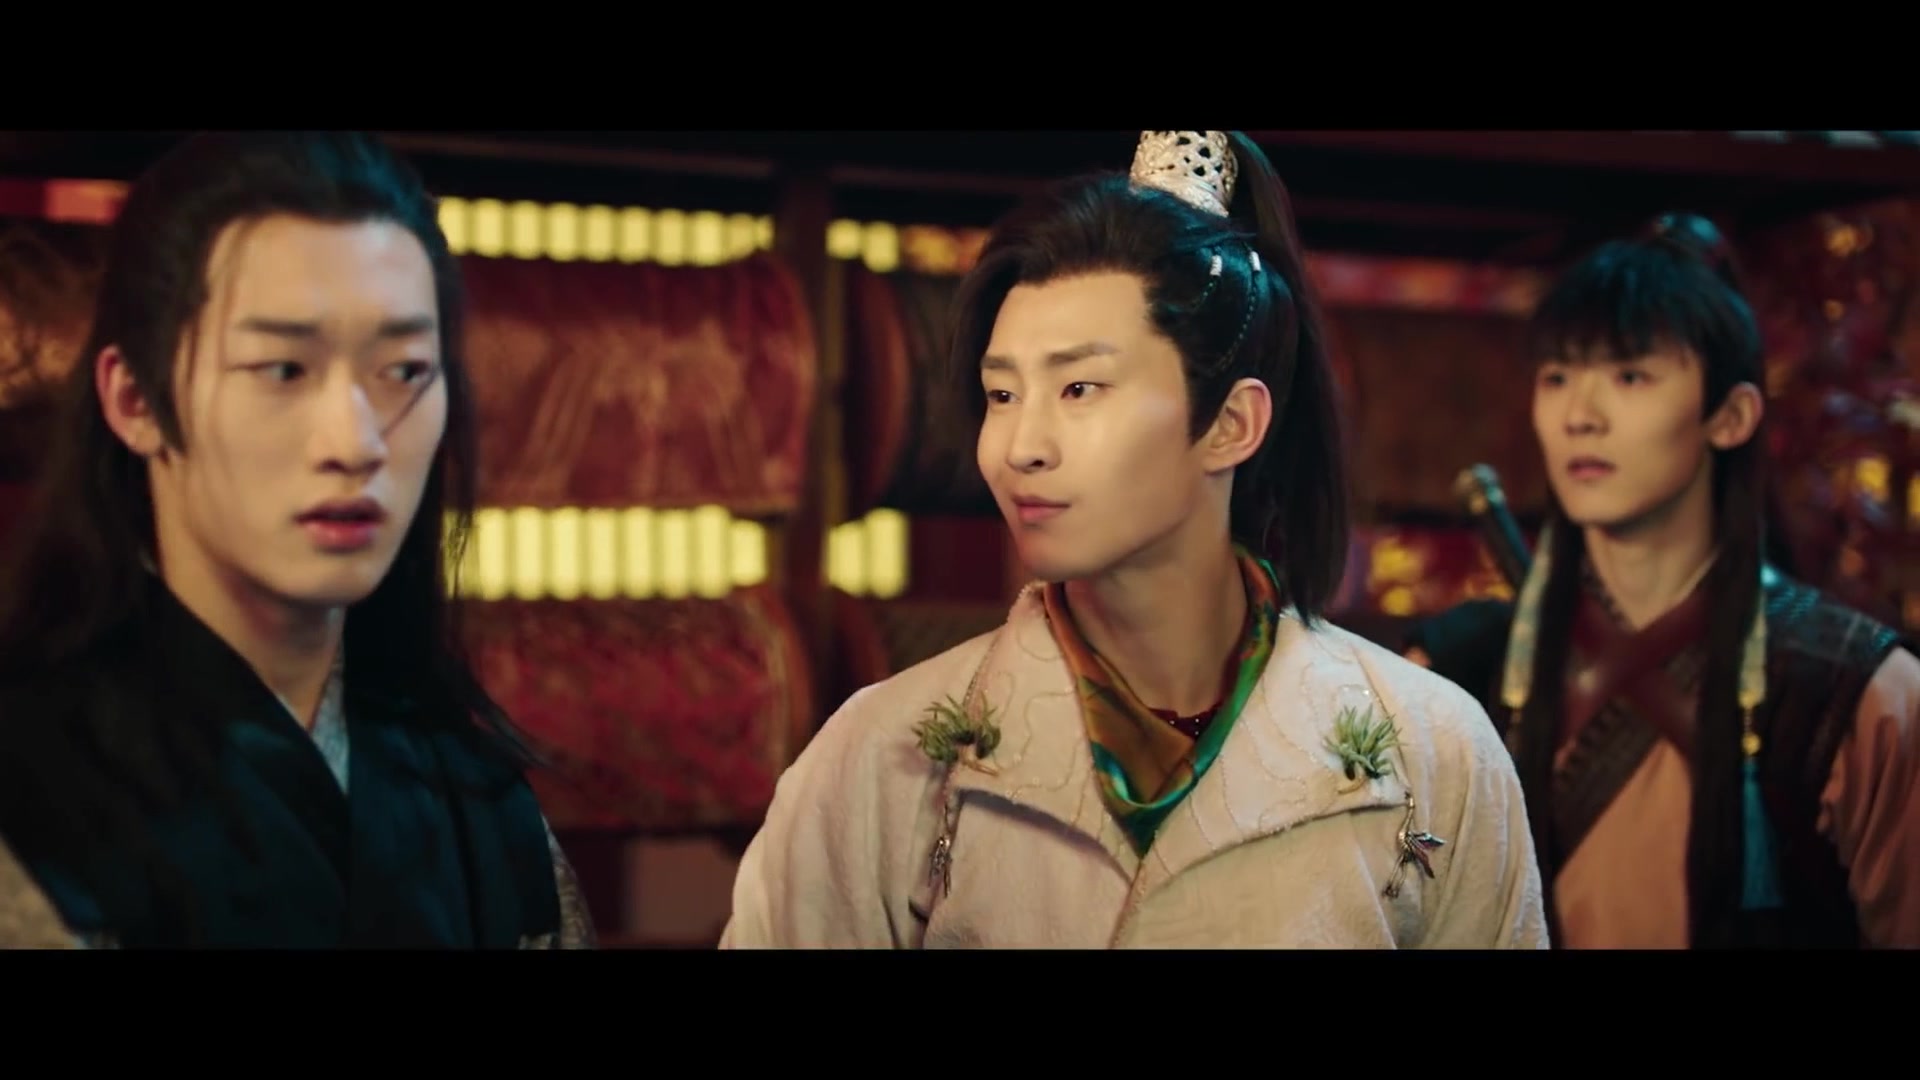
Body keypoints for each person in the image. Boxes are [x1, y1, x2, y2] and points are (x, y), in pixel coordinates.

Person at [721, 131, 1547, 948]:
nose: (1021, 446)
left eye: (1079, 388)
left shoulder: (1430, 749)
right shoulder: (884, 755)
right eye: (1002, 394)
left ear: (1230, 424)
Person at [0, 131, 595, 948]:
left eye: (403, 371)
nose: (355, 442)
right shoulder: (30, 809)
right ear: (135, 400)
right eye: (283, 369)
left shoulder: (482, 812)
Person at [1411, 212, 1919, 948]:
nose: (1580, 415)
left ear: (1731, 415)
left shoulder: (1861, 694)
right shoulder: (1458, 673)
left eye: (1630, 376)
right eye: (1557, 377)